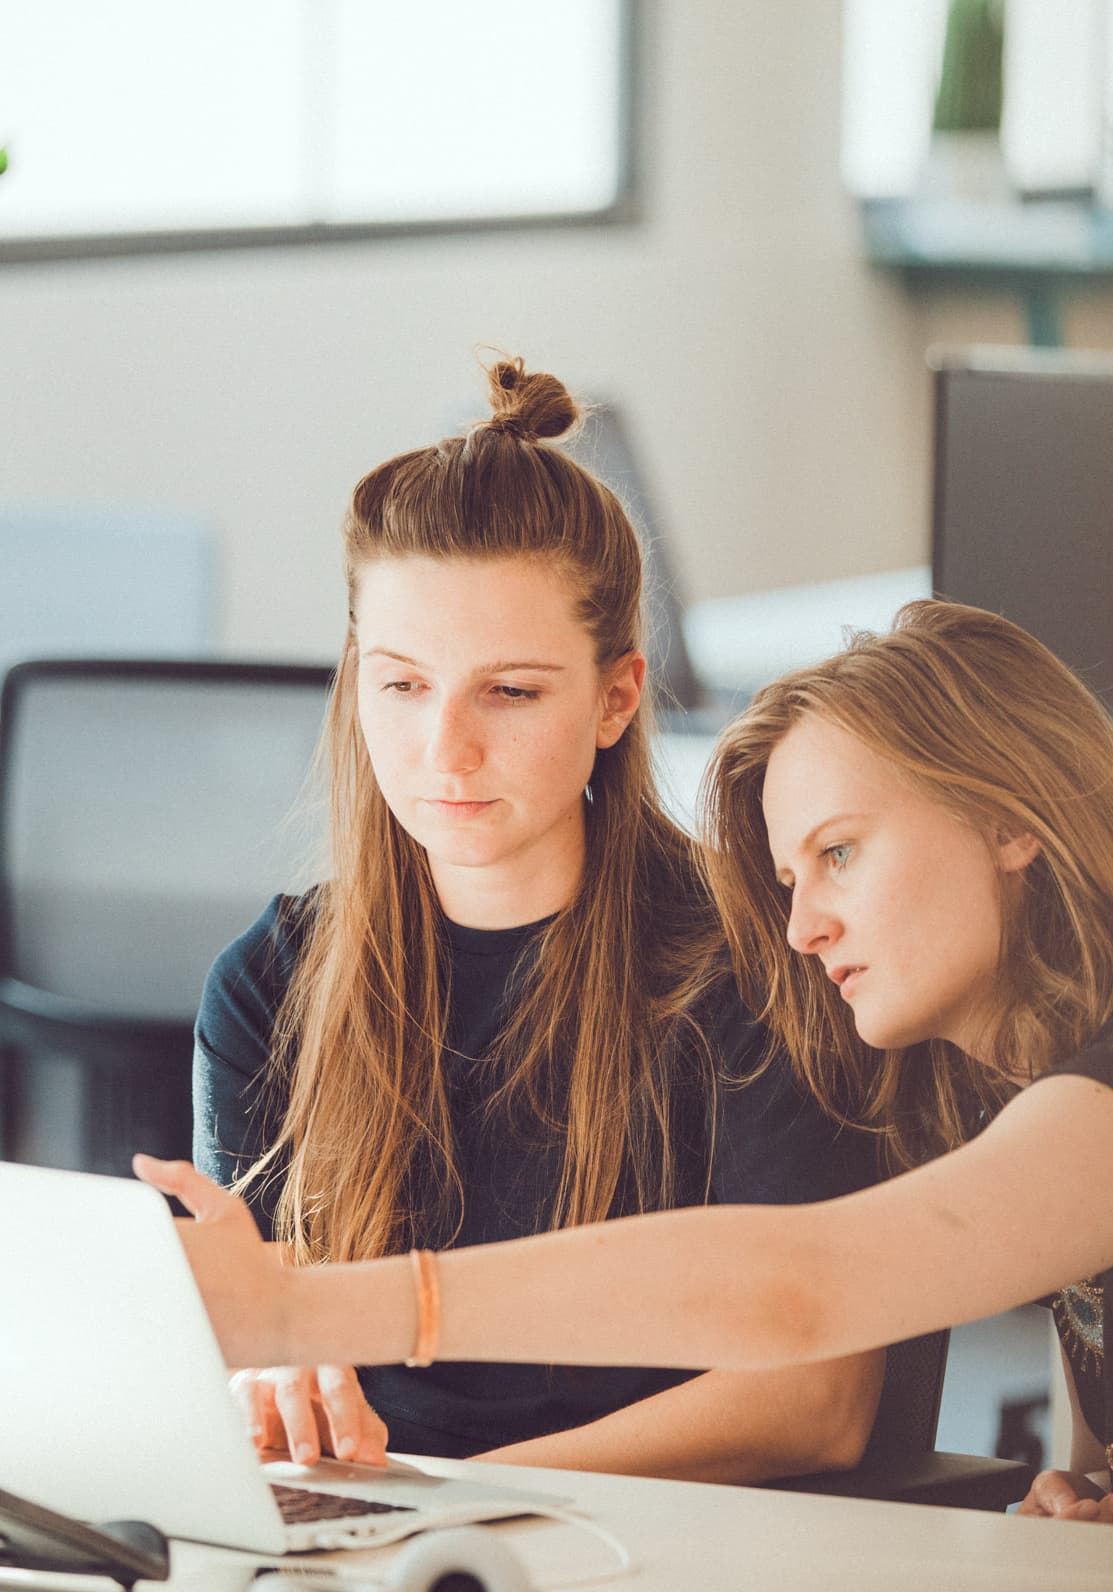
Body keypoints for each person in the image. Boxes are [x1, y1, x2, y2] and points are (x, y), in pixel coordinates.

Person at [143, 598, 1113, 1522]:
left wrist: (308, 1305)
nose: (805, 929)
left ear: (1010, 819)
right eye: (790, 876)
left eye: (843, 851)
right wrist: (1080, 1486)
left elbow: (802, 1286)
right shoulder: (1032, 1097)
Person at [183, 355, 884, 1485]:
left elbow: (815, 1402)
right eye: (402, 684)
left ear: (616, 698)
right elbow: (251, 1345)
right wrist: (257, 1378)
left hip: (649, 1540)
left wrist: (468, 1505)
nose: (444, 750)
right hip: (366, 1537)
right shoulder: (270, 983)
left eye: (510, 690)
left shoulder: (756, 965)